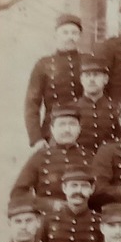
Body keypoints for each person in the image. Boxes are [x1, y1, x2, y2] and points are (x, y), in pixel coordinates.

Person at [24, 13, 85, 148]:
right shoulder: (44, 65)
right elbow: (32, 104)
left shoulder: (88, 61)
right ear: (56, 35)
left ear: (80, 36)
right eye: (65, 32)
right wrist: (36, 138)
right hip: (53, 132)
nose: (70, 37)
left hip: (85, 130)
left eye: (74, 33)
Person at [11, 105, 91, 203]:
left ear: (79, 128)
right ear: (52, 129)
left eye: (72, 124)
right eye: (61, 124)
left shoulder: (89, 157)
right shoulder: (39, 157)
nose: (67, 130)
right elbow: (18, 193)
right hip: (48, 216)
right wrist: (48, 205)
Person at [43, 168, 100, 242]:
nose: (78, 191)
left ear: (92, 189)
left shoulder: (100, 222)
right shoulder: (48, 221)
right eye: (74, 185)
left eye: (84, 186)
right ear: (64, 188)